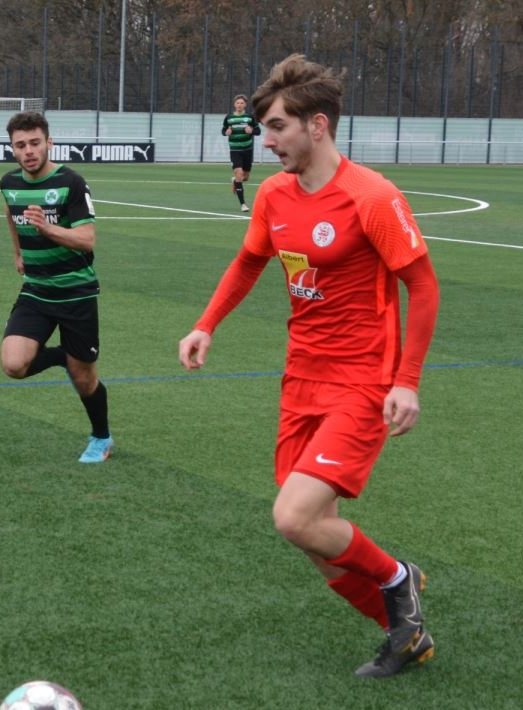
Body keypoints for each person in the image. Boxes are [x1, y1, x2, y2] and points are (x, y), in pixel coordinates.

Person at [178, 54, 440, 678]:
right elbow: (249, 262)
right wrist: (206, 323)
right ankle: (405, 633)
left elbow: (423, 287)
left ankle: (398, 579)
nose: (265, 142)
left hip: (363, 380)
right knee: (313, 534)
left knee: (292, 516)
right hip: (301, 377)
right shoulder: (274, 194)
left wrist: (406, 382)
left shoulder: (372, 197)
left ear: (316, 125)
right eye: (264, 129)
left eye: (276, 128)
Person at [0, 111, 112, 464]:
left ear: (49, 142)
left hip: (76, 291)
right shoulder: (9, 182)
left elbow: (87, 238)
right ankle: (63, 356)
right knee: (13, 365)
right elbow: (11, 213)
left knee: (85, 379)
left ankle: (101, 437)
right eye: (21, 145)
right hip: (36, 290)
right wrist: (18, 252)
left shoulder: (72, 182)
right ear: (13, 149)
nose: (28, 151)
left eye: (35, 143)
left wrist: (47, 229)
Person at [222, 94, 260, 212]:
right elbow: (223, 130)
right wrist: (226, 132)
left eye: (242, 103)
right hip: (235, 150)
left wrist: (251, 131)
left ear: (245, 105)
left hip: (247, 150)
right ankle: (243, 204)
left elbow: (258, 131)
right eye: (237, 103)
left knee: (245, 177)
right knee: (239, 174)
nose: (239, 105)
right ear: (234, 104)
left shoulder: (250, 117)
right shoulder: (229, 117)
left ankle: (235, 181)